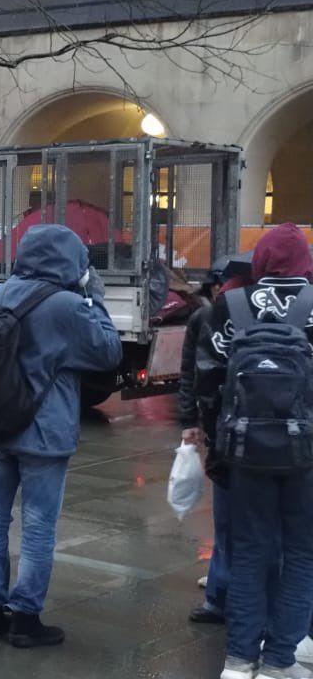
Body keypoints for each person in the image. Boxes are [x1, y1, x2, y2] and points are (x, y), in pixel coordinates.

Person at [0, 225, 121, 649]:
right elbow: (108, 351)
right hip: (44, 433)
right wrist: (95, 297)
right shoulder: (68, 305)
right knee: (38, 526)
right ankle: (24, 618)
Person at [196, 223, 313, 679]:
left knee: (248, 552)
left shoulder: (232, 305)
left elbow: (209, 384)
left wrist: (219, 444)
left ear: (259, 261)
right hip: (305, 455)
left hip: (245, 452)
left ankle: (239, 661)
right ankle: (281, 660)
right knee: (302, 553)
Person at [184, 256, 252, 626]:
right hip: (284, 442)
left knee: (227, 524)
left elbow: (199, 378)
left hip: (230, 438)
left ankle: (221, 598)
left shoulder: (219, 314)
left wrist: (204, 429)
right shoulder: (291, 313)